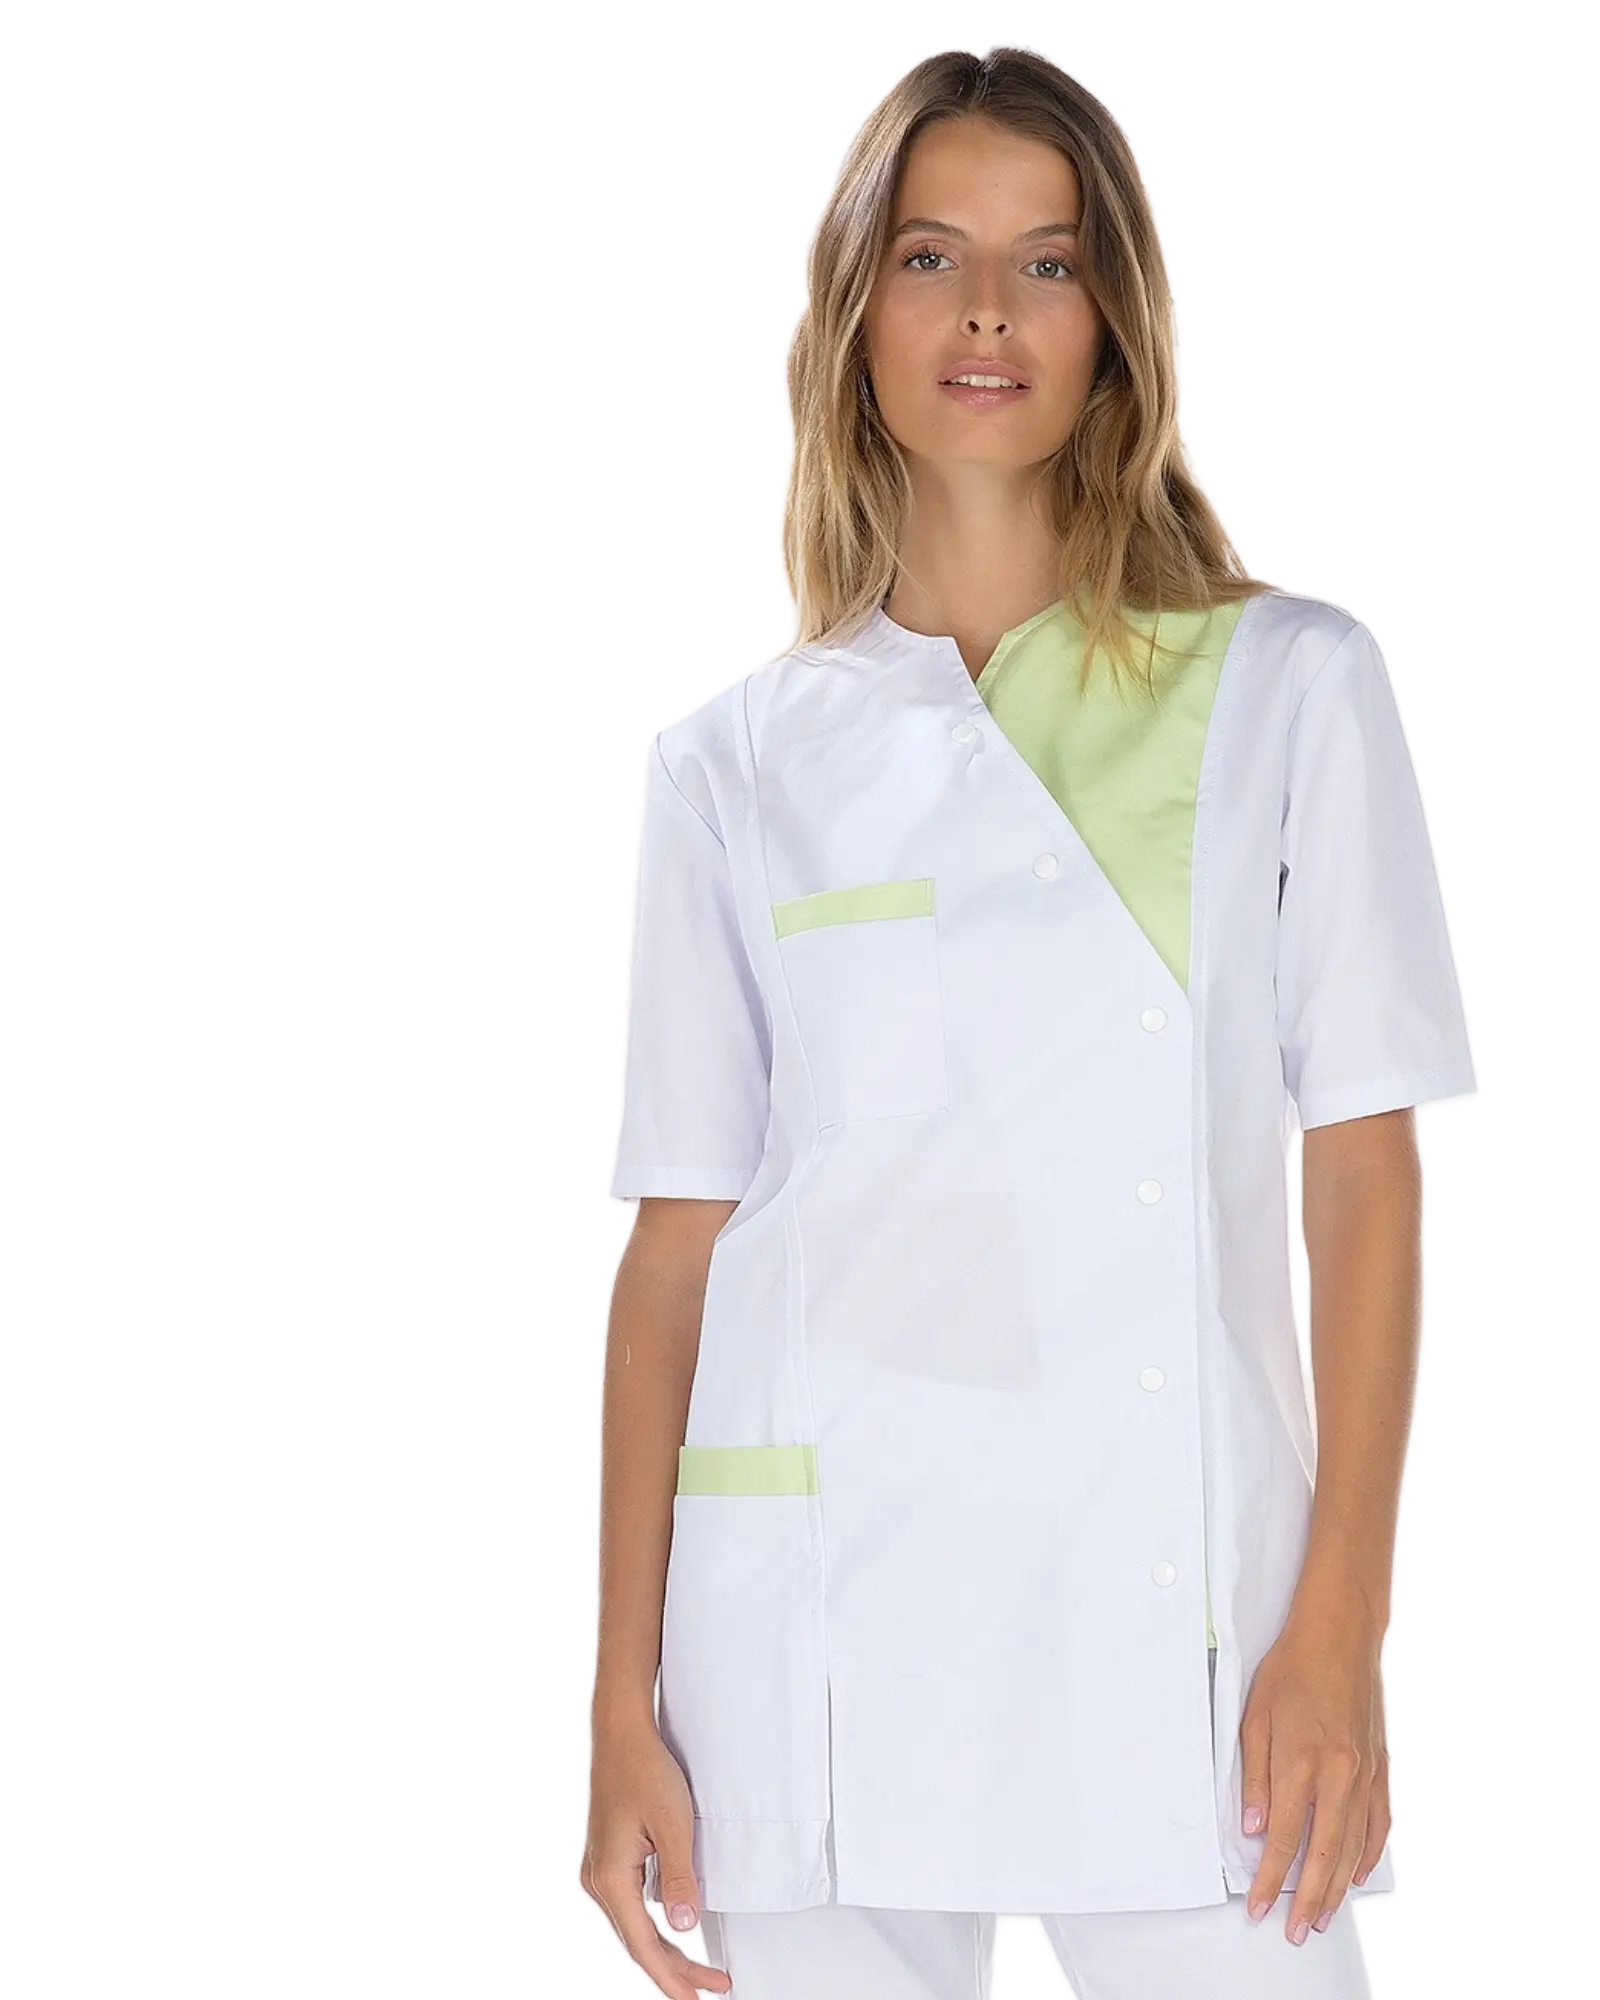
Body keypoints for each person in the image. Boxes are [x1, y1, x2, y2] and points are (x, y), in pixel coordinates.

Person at [581, 41, 1481, 2000]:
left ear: (1113, 321)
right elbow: (674, 1251)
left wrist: (1344, 1625)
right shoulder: (729, 762)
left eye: (1046, 262)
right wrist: (618, 1711)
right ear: (854, 314)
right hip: (808, 1646)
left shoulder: (1294, 687)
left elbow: (1367, 1175)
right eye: (930, 256)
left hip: (1191, 1641)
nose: (986, 310)